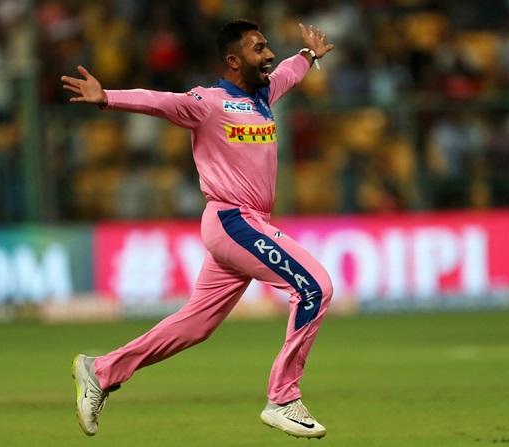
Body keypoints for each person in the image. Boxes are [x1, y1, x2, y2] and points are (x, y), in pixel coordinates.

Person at [62, 19, 335, 439]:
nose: (269, 55)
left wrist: (308, 55)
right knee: (315, 286)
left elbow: (288, 74)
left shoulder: (263, 94)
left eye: (267, 48)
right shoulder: (207, 102)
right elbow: (159, 101)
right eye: (259, 48)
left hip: (247, 224)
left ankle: (100, 370)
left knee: (195, 325)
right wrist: (107, 99)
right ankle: (283, 397)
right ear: (233, 60)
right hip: (232, 219)